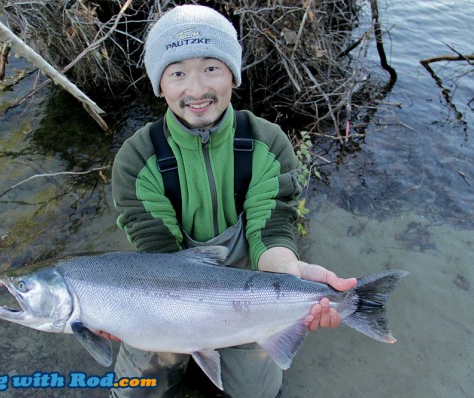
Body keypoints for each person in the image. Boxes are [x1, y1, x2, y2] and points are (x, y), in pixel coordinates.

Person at [109, 4, 357, 398]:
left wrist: (290, 271)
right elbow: (156, 251)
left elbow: (271, 228)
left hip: (250, 289)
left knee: (258, 394)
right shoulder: (137, 160)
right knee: (135, 391)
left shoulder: (268, 142)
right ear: (159, 85)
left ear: (232, 75)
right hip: (167, 291)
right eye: (177, 73)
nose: (196, 90)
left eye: (211, 68)